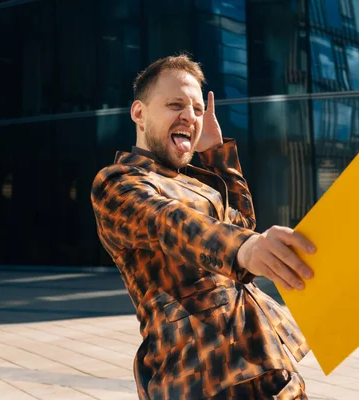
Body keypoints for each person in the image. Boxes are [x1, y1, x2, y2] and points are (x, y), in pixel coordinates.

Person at [90, 54, 316, 399]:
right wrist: (247, 247)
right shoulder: (118, 183)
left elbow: (241, 227)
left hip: (263, 364)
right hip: (201, 376)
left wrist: (216, 155)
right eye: (175, 104)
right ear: (139, 113)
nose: (190, 116)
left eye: (197, 109)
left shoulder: (197, 185)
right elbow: (172, 224)